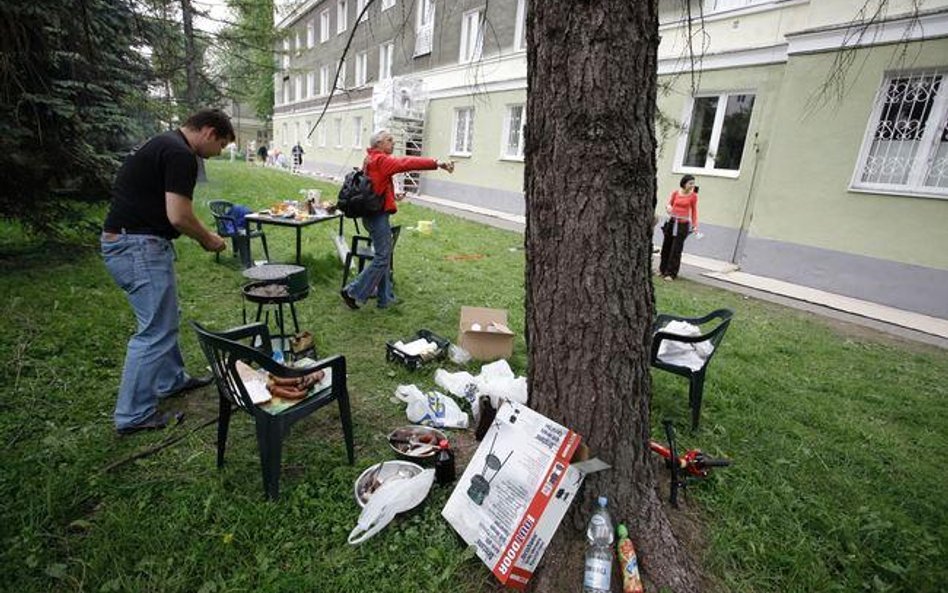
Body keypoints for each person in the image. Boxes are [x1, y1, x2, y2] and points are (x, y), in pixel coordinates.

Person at [101, 109, 231, 435]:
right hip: (138, 247)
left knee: (165, 317)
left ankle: (171, 380)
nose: (217, 155)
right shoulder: (180, 154)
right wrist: (209, 239)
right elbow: (178, 215)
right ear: (210, 133)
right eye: (222, 146)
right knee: (155, 330)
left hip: (132, 242)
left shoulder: (163, 143)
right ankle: (133, 414)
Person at [340, 129, 455, 310]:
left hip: (371, 214)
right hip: (377, 216)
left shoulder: (369, 158)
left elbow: (374, 185)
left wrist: (392, 196)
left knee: (384, 256)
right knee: (382, 257)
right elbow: (406, 162)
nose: (393, 143)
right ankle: (352, 291)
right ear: (379, 144)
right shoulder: (381, 159)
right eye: (389, 140)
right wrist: (437, 163)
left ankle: (385, 298)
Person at [658, 174, 699, 281]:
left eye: (693, 183)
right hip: (672, 222)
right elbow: (669, 205)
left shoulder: (693, 196)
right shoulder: (675, 193)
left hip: (682, 224)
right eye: (690, 183)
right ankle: (663, 270)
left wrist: (694, 225)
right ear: (684, 183)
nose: (692, 186)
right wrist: (668, 208)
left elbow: (694, 211)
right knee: (666, 246)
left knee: (676, 249)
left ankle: (671, 273)